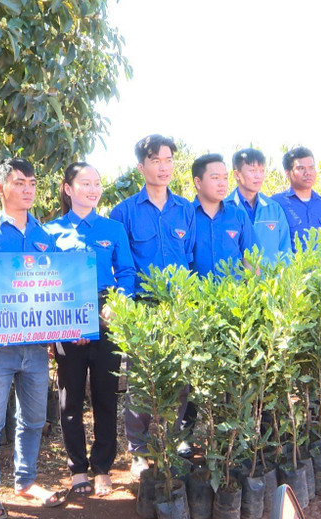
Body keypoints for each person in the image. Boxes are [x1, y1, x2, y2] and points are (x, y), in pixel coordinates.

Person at [0, 157, 66, 519]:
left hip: (36, 348)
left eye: (32, 183)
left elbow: (56, 288)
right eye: (19, 182)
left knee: (35, 418)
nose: (27, 189)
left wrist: (61, 330)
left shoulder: (45, 237)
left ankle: (26, 481)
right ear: (0, 187)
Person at [44, 162, 136, 497]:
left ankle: (102, 467)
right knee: (69, 397)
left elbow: (126, 272)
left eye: (97, 183)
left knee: (105, 394)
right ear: (68, 189)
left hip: (106, 316)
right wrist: (56, 326)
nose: (93, 189)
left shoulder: (112, 229)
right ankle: (77, 468)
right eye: (85, 183)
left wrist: (117, 301)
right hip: (66, 315)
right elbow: (45, 281)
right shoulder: (50, 232)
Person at [108, 134, 196, 474]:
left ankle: (175, 442)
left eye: (169, 160)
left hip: (179, 307)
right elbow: (122, 264)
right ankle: (139, 450)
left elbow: (189, 261)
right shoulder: (124, 212)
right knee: (142, 381)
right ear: (141, 166)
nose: (164, 167)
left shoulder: (185, 210)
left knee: (181, 378)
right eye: (156, 160)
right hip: (143, 309)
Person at [190, 153, 256, 278]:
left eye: (225, 178)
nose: (222, 183)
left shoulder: (238, 216)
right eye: (215, 178)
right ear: (198, 182)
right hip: (196, 295)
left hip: (233, 295)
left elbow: (250, 260)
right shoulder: (185, 216)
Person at [224, 148, 291, 265]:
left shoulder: (274, 209)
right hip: (235, 281)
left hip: (269, 282)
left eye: (262, 170)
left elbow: (285, 251)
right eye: (252, 170)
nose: (258, 176)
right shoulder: (224, 208)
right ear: (237, 174)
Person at [272, 146, 321, 251]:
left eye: (311, 168)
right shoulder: (276, 203)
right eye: (301, 168)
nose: (308, 173)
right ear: (288, 173)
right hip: (290, 267)